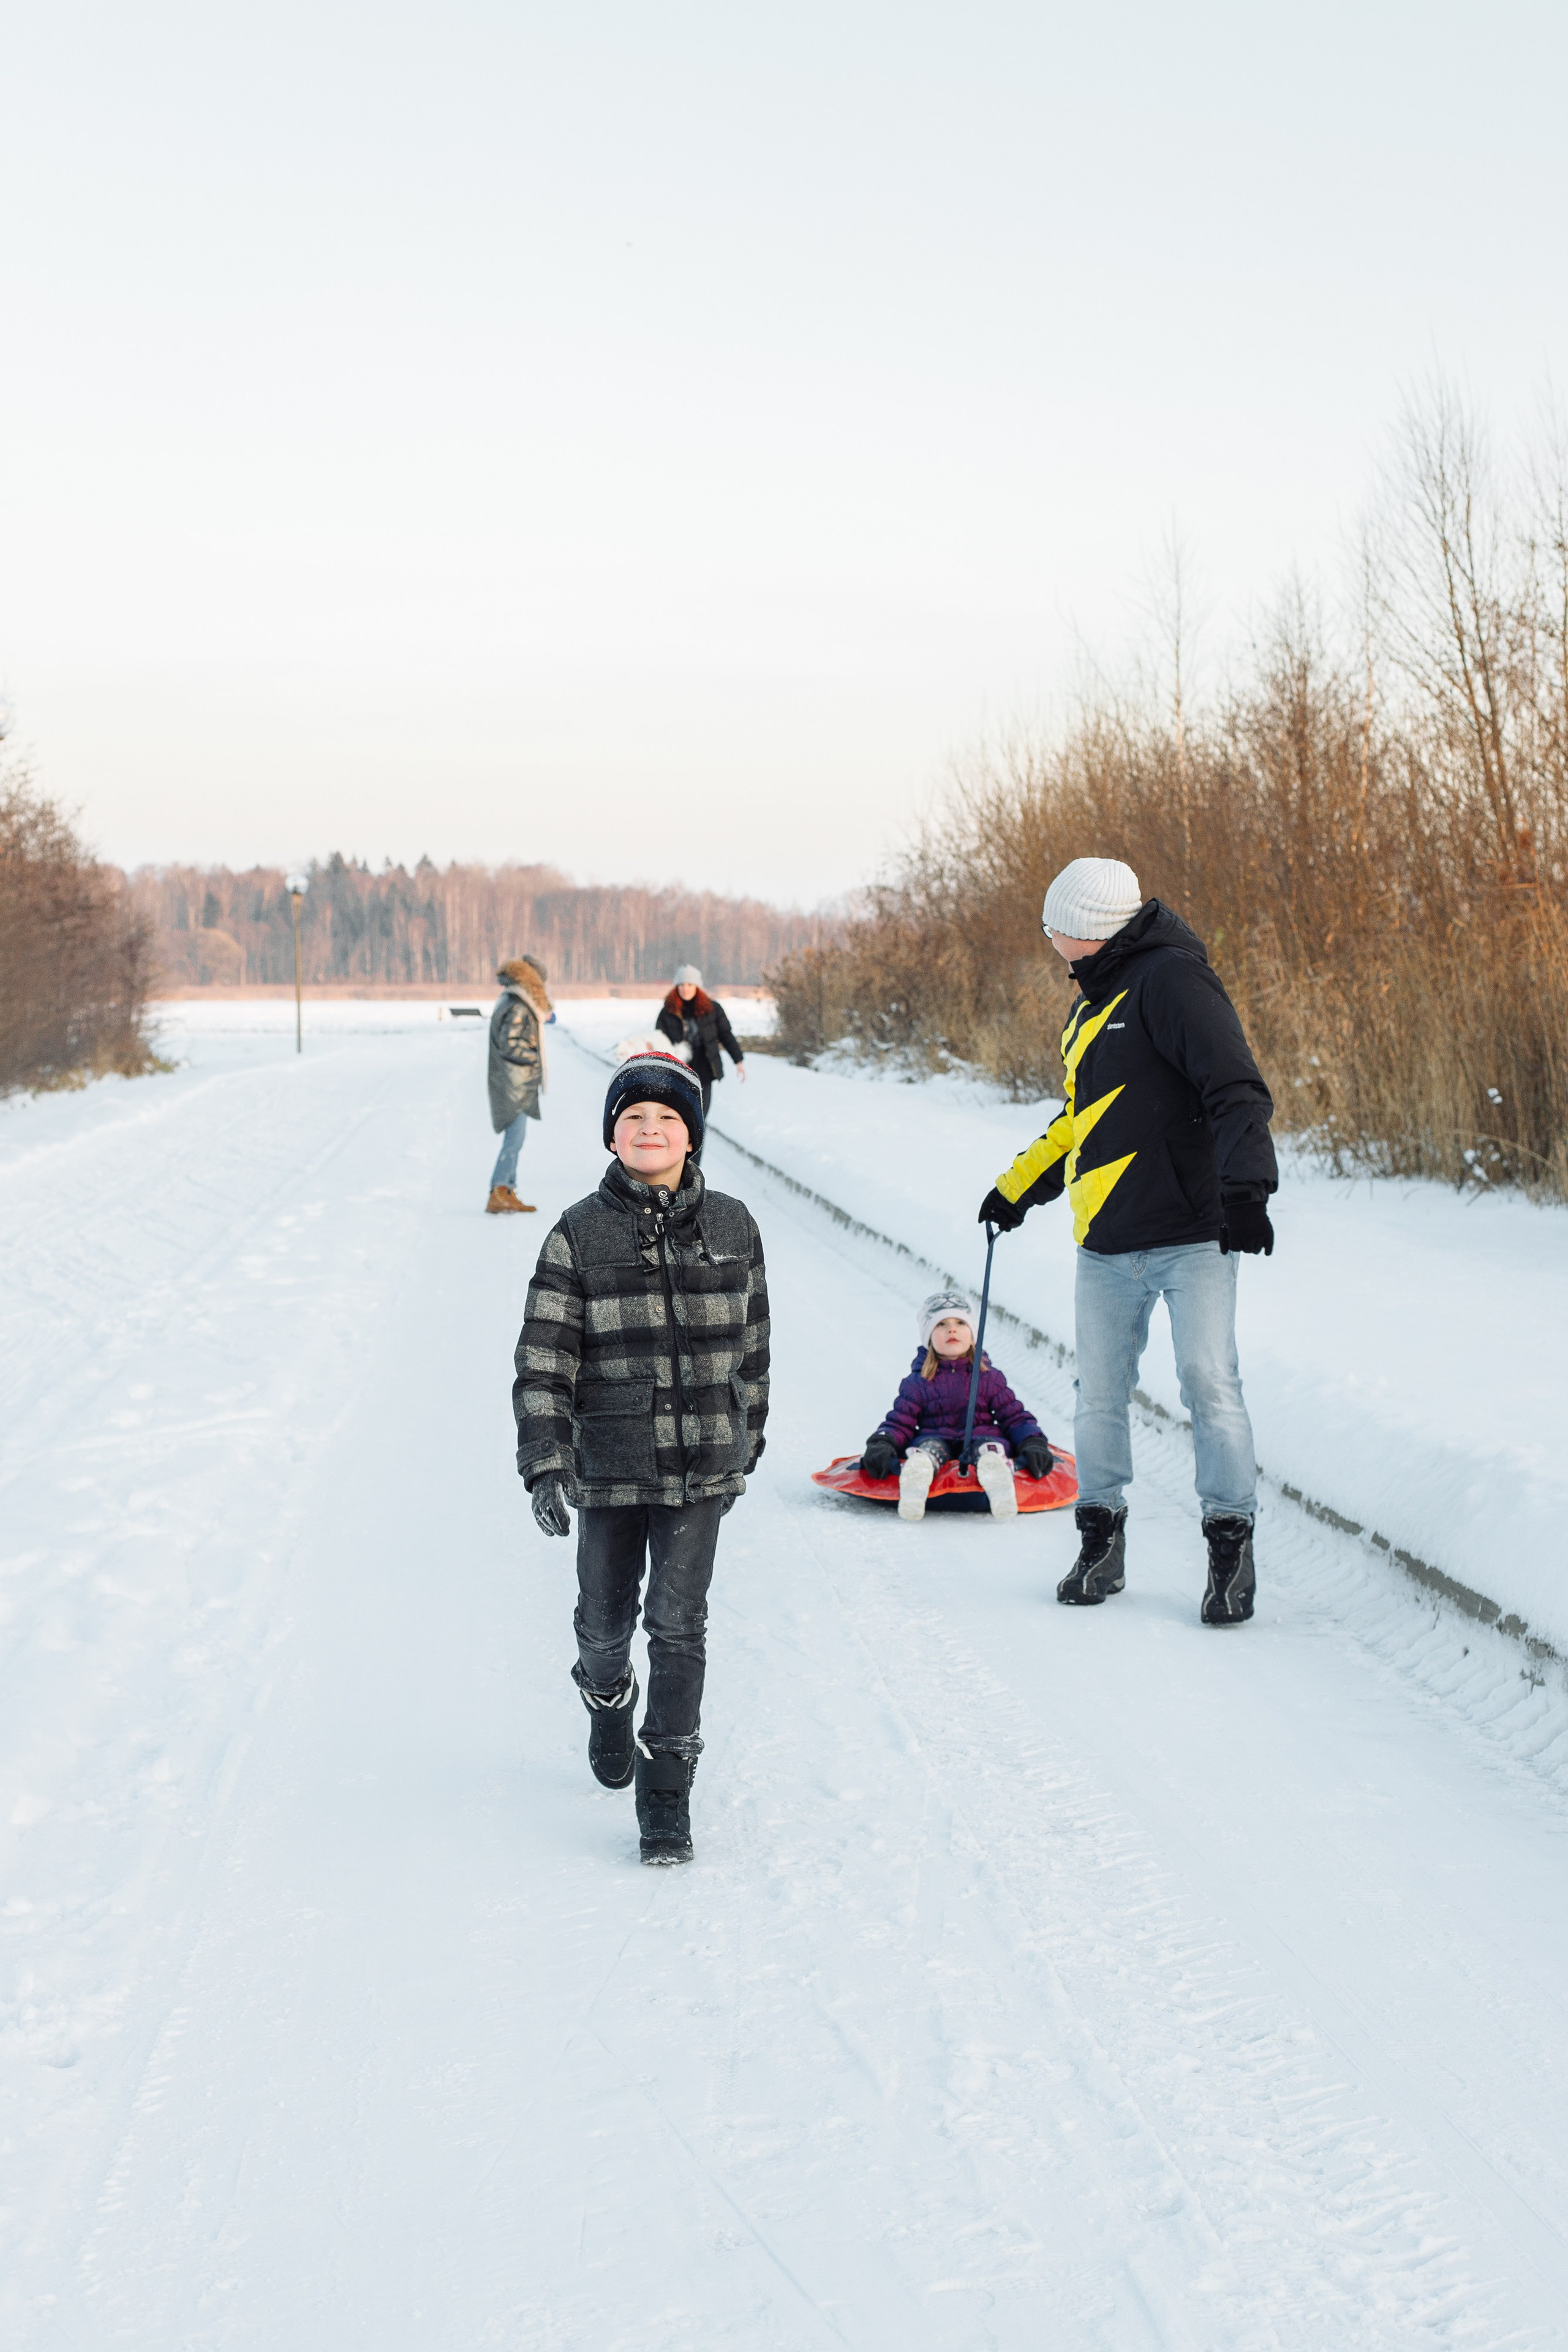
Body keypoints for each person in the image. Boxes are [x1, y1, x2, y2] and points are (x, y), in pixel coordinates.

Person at [977, 857, 1277, 1625]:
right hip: (1106, 1238)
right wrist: (1017, 1188)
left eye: (1054, 928)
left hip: (1190, 1235)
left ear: (1086, 928)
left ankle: (1229, 1548)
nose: (1050, 941)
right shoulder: (1091, 1003)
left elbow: (1235, 1086)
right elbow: (1083, 1118)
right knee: (1099, 1397)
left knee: (1209, 1385)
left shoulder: (1173, 981)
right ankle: (1100, 1542)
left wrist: (1246, 1193)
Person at [513, 1049, 769, 1864]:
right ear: (613, 1137)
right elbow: (544, 1355)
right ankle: (604, 1691)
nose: (650, 1130)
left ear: (690, 1137)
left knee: (679, 1625)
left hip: (701, 1464)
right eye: (634, 1120)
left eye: (666, 1119)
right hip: (612, 1461)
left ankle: (667, 1797)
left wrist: (746, 1436)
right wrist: (547, 1462)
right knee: (606, 1620)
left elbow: (754, 1347)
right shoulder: (579, 1232)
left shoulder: (733, 1225)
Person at [860, 1287, 1056, 1522]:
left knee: (989, 1448)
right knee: (927, 1449)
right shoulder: (918, 1382)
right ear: (929, 1337)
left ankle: (997, 1479)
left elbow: (1014, 1417)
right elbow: (900, 1422)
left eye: (960, 1323)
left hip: (980, 1437)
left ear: (972, 1334)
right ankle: (918, 1477)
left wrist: (1032, 1441)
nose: (951, 1329)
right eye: (941, 1324)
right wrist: (883, 1442)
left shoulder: (988, 1377)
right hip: (936, 1439)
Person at [486, 956, 550, 1213]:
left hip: (514, 1081)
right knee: (515, 1139)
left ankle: (507, 1189)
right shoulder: (519, 1005)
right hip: (515, 1084)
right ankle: (499, 1190)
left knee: (516, 1138)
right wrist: (534, 1055)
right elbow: (509, 1043)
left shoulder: (511, 998)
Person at [655, 966, 747, 1144]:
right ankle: (677, 1162)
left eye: (690, 984)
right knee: (678, 1120)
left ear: (697, 986)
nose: (685, 989)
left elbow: (726, 1035)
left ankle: (693, 1167)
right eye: (681, 984)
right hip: (678, 1072)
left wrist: (738, 1060)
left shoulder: (713, 1009)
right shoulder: (668, 1011)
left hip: (704, 1071)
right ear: (676, 987)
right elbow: (659, 1040)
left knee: (699, 1122)